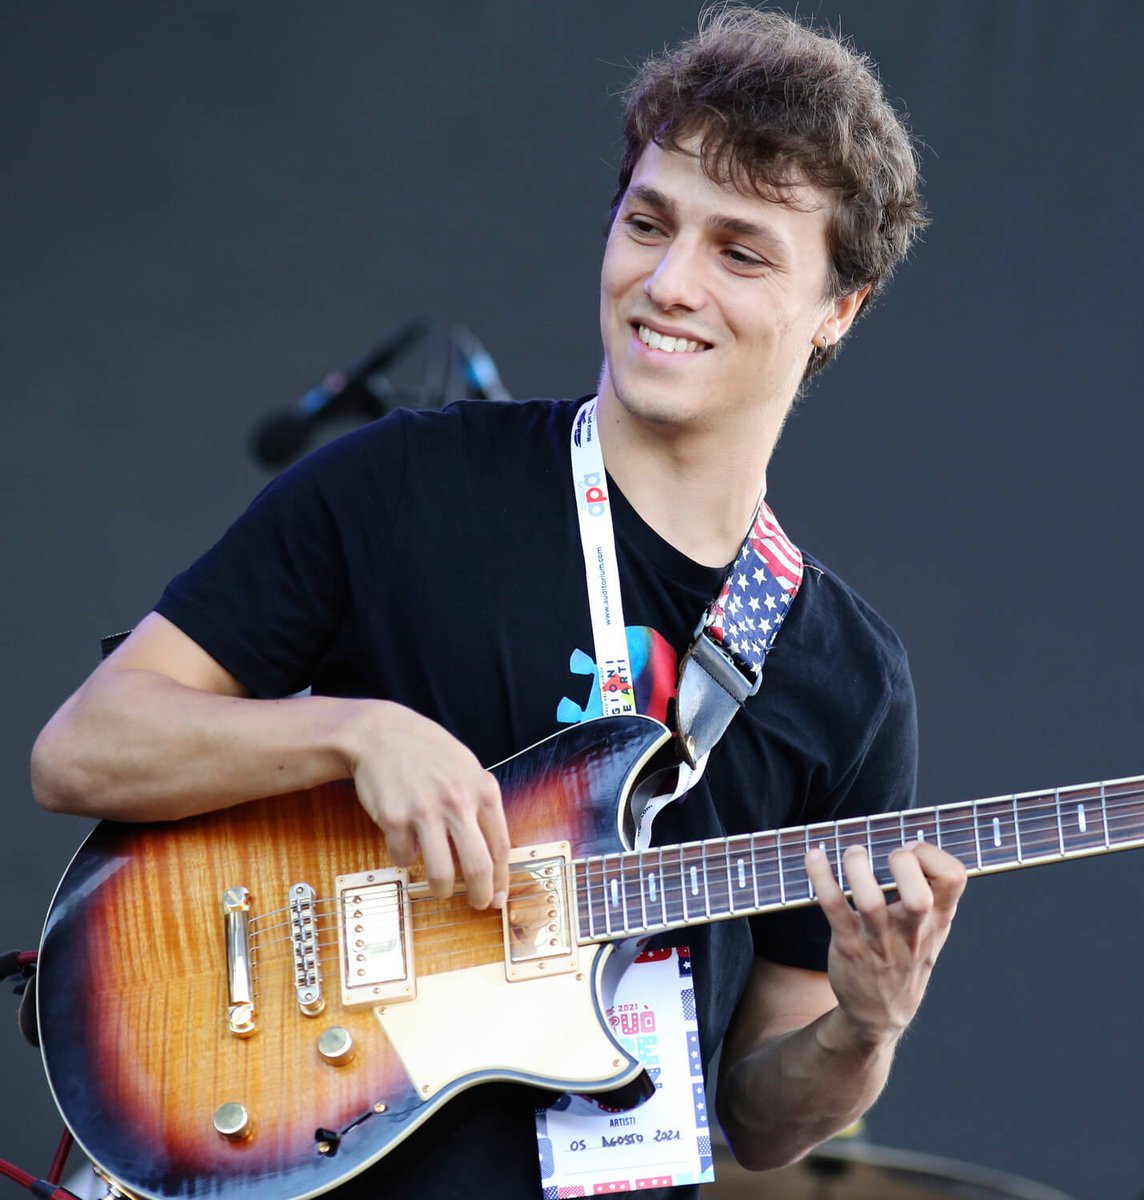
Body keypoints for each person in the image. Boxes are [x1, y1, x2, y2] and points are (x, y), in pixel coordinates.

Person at [30, 7, 964, 1197]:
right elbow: (84, 751)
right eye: (648, 223)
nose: (669, 282)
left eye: (741, 253)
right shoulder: (410, 483)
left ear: (841, 306)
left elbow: (760, 1123)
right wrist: (355, 733)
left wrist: (865, 1031)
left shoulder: (848, 679)